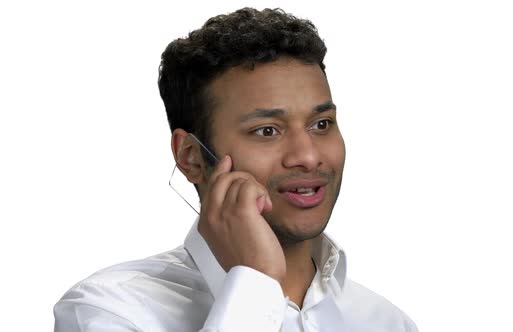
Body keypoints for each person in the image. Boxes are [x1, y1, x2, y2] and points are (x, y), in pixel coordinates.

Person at [54, 7, 418, 332]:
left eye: (321, 124)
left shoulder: (387, 322)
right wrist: (256, 286)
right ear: (192, 156)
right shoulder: (110, 310)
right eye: (267, 131)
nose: (308, 156)